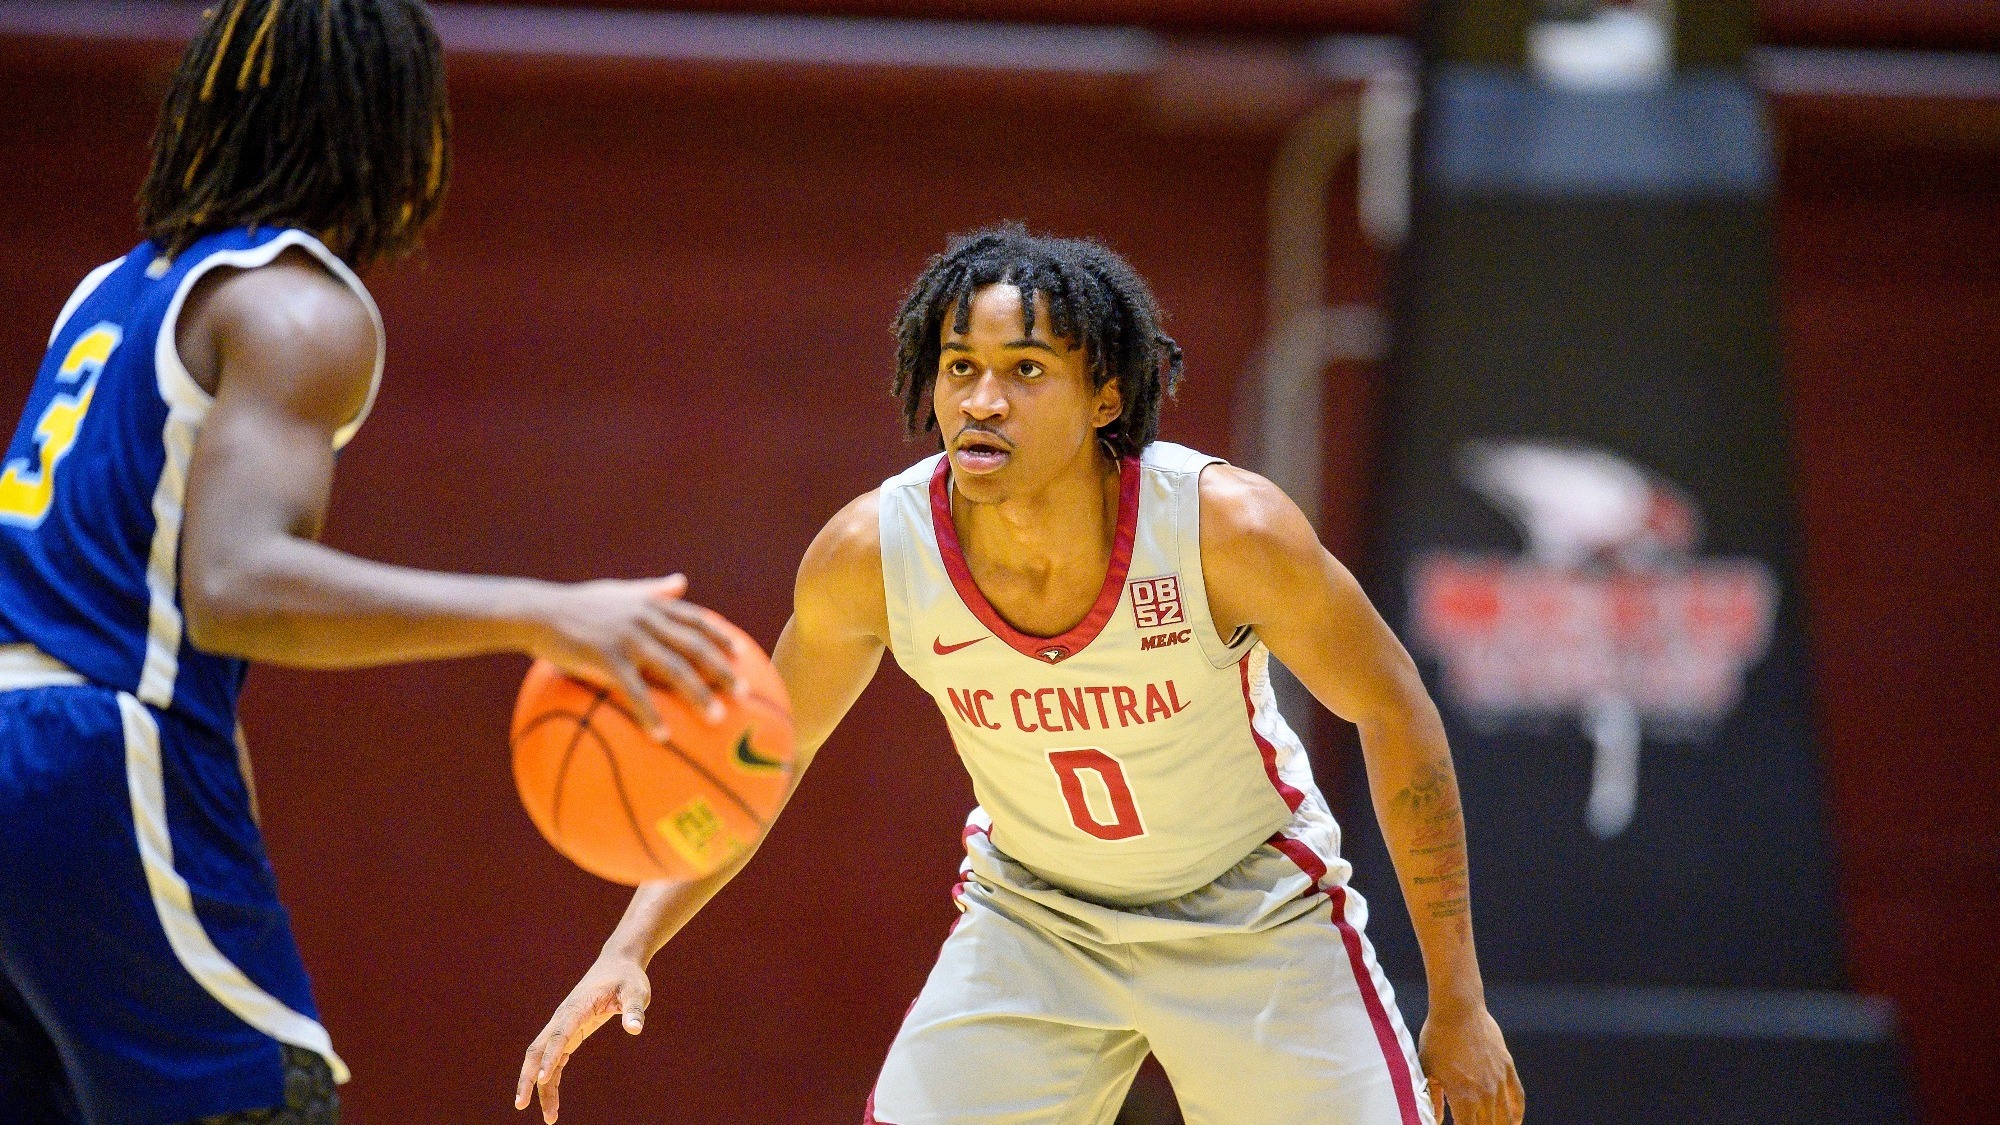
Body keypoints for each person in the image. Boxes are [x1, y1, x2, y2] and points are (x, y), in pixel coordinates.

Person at [518, 225, 1525, 1125]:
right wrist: (629, 943)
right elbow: (761, 758)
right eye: (959, 367)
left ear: (1106, 395)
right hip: (1035, 914)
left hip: (1249, 908)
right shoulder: (872, 553)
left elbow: (1394, 709)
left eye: (1025, 369)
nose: (982, 401)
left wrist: (1458, 1001)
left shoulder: (1224, 529)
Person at [0, 3, 737, 1122]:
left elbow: (131, 591)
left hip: (50, 735)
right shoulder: (299, 304)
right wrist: (546, 613)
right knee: (265, 1099)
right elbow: (234, 587)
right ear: (393, 123)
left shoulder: (108, 291)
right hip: (87, 754)